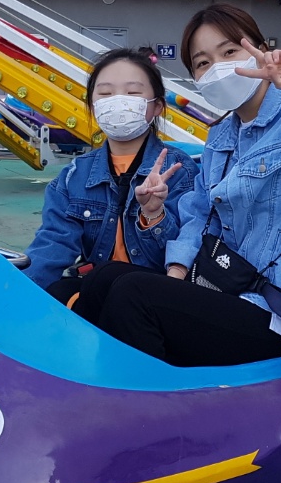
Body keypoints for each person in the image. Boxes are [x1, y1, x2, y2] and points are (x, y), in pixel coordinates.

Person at [86, 4, 281, 366]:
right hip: (227, 289)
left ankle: (149, 397)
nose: (218, 68)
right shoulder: (221, 136)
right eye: (203, 62)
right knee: (105, 277)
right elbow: (200, 214)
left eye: (229, 52)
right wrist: (177, 272)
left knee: (133, 294)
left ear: (260, 50)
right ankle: (96, 384)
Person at [25, 49, 195, 312]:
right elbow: (53, 244)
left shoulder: (179, 170)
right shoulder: (73, 176)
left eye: (132, 92)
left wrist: (154, 216)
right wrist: (20, 293)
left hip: (152, 296)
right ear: (93, 106)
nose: (118, 101)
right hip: (98, 289)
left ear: (157, 106)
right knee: (59, 292)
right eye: (105, 94)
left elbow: (182, 252)